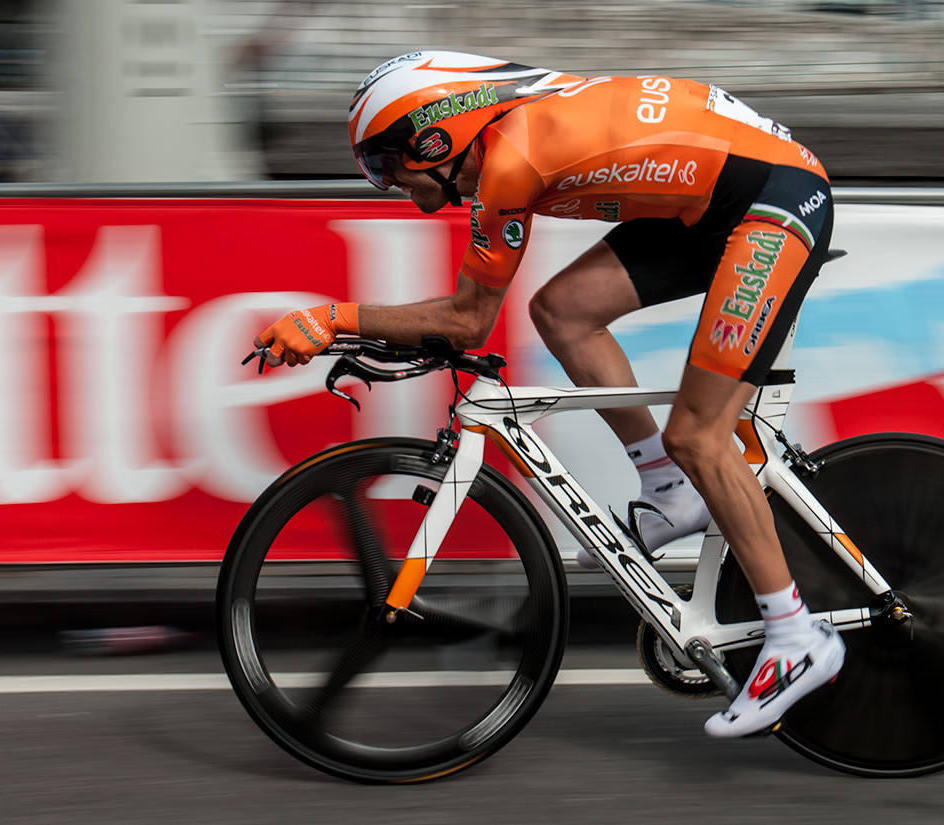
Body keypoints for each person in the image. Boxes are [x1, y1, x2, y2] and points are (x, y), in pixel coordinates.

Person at [252, 51, 843, 738]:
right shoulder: (506, 141)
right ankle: (670, 487)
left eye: (389, 167)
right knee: (562, 311)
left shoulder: (512, 164)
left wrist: (332, 319)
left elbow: (467, 321)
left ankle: (796, 638)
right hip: (718, 202)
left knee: (699, 434)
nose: (399, 190)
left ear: (434, 138)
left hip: (775, 203)